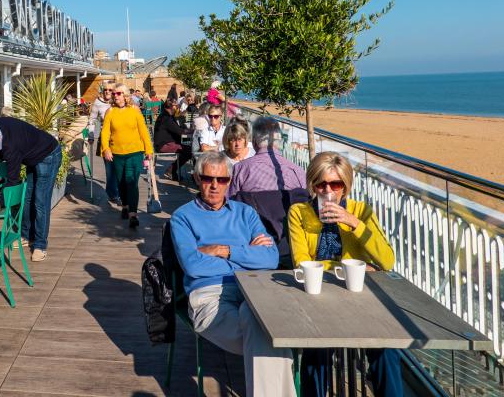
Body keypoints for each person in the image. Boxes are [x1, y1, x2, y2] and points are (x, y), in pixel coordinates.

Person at [171, 151, 295, 397]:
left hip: (254, 290)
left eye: (222, 180)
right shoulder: (182, 217)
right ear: (197, 178)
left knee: (259, 320)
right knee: (272, 335)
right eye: (208, 179)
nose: (215, 186)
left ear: (230, 181)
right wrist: (247, 256)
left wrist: (224, 251)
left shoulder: (245, 213)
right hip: (210, 295)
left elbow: (270, 259)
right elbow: (194, 266)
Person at [288, 152, 401, 397]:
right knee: (317, 349)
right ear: (312, 184)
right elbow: (302, 263)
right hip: (318, 297)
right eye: (321, 184)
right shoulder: (299, 212)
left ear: (346, 186)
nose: (327, 190)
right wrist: (352, 265)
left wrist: (354, 224)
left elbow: (387, 260)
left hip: (359, 298)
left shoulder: (361, 212)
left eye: (335, 184)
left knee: (386, 348)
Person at [227, 117, 309, 268]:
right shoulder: (297, 171)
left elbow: (230, 206)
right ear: (278, 140)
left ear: (254, 142)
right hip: (292, 245)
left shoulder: (242, 169)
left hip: (255, 243)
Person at [0, 117, 62, 262]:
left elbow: (12, 181)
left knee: (41, 202)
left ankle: (40, 245)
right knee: (28, 199)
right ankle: (26, 236)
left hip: (48, 154)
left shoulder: (11, 147)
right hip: (32, 155)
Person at [101, 83, 153, 229]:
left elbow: (143, 131)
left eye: (118, 93)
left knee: (131, 181)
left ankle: (133, 214)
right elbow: (105, 132)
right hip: (117, 153)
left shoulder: (135, 110)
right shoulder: (110, 111)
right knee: (121, 182)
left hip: (135, 152)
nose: (115, 96)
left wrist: (149, 149)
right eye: (113, 94)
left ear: (125, 95)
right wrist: (106, 149)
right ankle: (125, 205)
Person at [88, 82, 120, 205]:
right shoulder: (97, 103)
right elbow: (92, 120)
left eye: (110, 90)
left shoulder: (118, 102)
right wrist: (91, 135)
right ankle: (113, 195)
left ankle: (118, 192)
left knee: (120, 168)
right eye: (105, 89)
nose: (107, 91)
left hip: (120, 138)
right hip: (106, 139)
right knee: (110, 169)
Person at [153, 99, 191, 181]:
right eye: (176, 105)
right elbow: (180, 132)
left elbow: (178, 130)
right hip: (163, 145)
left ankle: (172, 171)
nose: (177, 107)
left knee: (189, 147)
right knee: (188, 151)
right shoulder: (166, 118)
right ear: (171, 107)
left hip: (166, 142)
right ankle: (170, 171)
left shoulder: (166, 116)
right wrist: (191, 131)